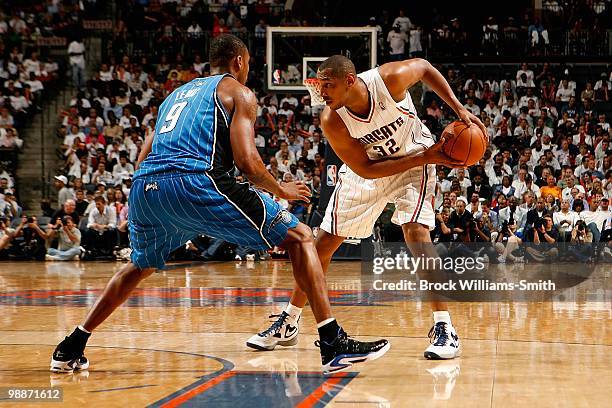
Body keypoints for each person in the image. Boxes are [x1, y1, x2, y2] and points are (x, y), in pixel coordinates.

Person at [51, 35, 388, 376]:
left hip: (145, 187)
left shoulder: (174, 96)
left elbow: (144, 153)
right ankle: (332, 342)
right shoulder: (237, 92)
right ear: (239, 61)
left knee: (139, 265)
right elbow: (248, 162)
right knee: (300, 236)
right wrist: (281, 189)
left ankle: (73, 344)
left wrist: (159, 192)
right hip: (196, 180)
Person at [248, 54, 487, 360]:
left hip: (415, 158)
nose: (322, 94)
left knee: (416, 233)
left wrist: (458, 108)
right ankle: (290, 320)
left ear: (350, 81)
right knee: (322, 245)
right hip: (374, 169)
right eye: (319, 87)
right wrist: (428, 158)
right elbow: (367, 170)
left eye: (328, 86)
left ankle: (445, 328)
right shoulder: (331, 119)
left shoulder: (389, 80)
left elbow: (426, 67)